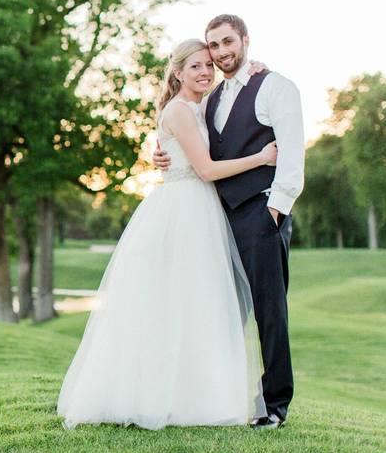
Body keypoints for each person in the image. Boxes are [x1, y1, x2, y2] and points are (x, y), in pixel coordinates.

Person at [57, 39, 273, 431]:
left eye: (209, 65)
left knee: (194, 304)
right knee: (175, 302)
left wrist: (250, 68)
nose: (205, 72)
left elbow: (185, 150)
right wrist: (261, 159)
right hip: (185, 211)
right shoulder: (179, 110)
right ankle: (161, 397)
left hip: (199, 207)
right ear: (177, 72)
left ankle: (194, 397)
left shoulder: (197, 106)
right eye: (196, 67)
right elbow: (206, 169)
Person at [153, 14, 304, 429]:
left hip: (260, 213)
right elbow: (191, 144)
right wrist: (161, 154)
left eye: (226, 43)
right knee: (217, 310)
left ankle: (274, 406)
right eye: (213, 47)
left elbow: (292, 153)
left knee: (269, 310)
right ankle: (208, 394)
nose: (220, 54)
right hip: (216, 218)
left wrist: (276, 208)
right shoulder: (212, 98)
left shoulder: (274, 86)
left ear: (245, 40)